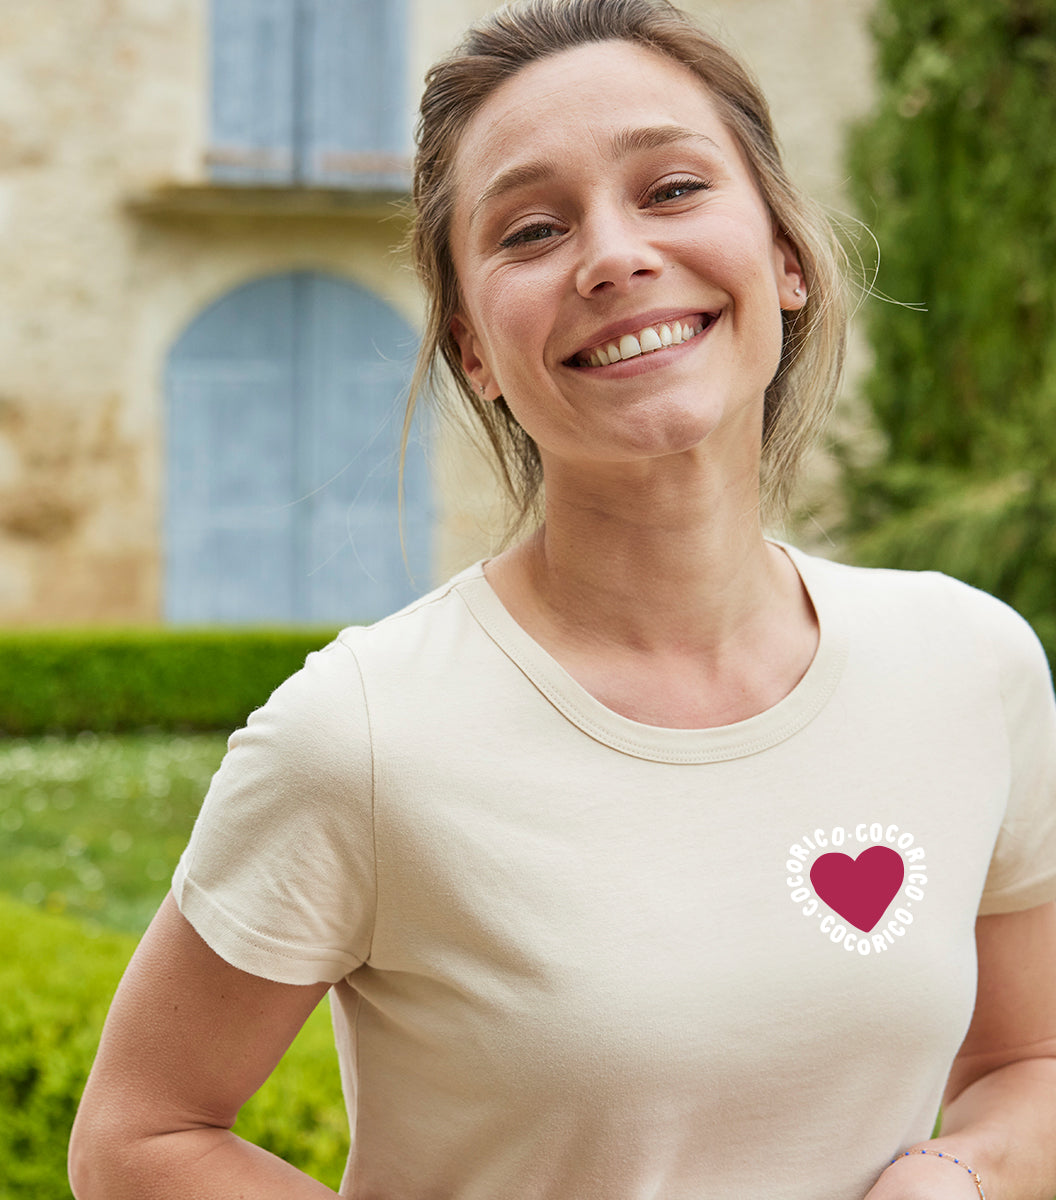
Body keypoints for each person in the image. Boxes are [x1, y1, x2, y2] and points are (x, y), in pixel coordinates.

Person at [70, 1, 1056, 1197]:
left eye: (675, 189)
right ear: (475, 351)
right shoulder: (364, 733)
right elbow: (140, 1136)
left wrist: (957, 1178)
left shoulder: (969, 664)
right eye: (532, 230)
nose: (613, 255)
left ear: (786, 259)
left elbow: (1030, 1058)